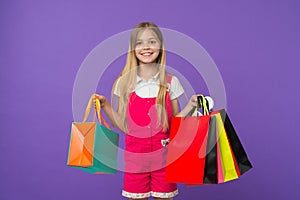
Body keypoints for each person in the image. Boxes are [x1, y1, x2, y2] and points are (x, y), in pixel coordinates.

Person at [93, 22, 199, 200]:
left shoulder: (171, 82)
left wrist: (190, 105)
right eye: (140, 43)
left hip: (164, 158)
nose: (146, 47)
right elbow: (123, 126)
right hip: (135, 160)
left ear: (160, 46)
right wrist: (105, 106)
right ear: (133, 49)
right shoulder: (124, 83)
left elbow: (175, 124)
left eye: (152, 41)